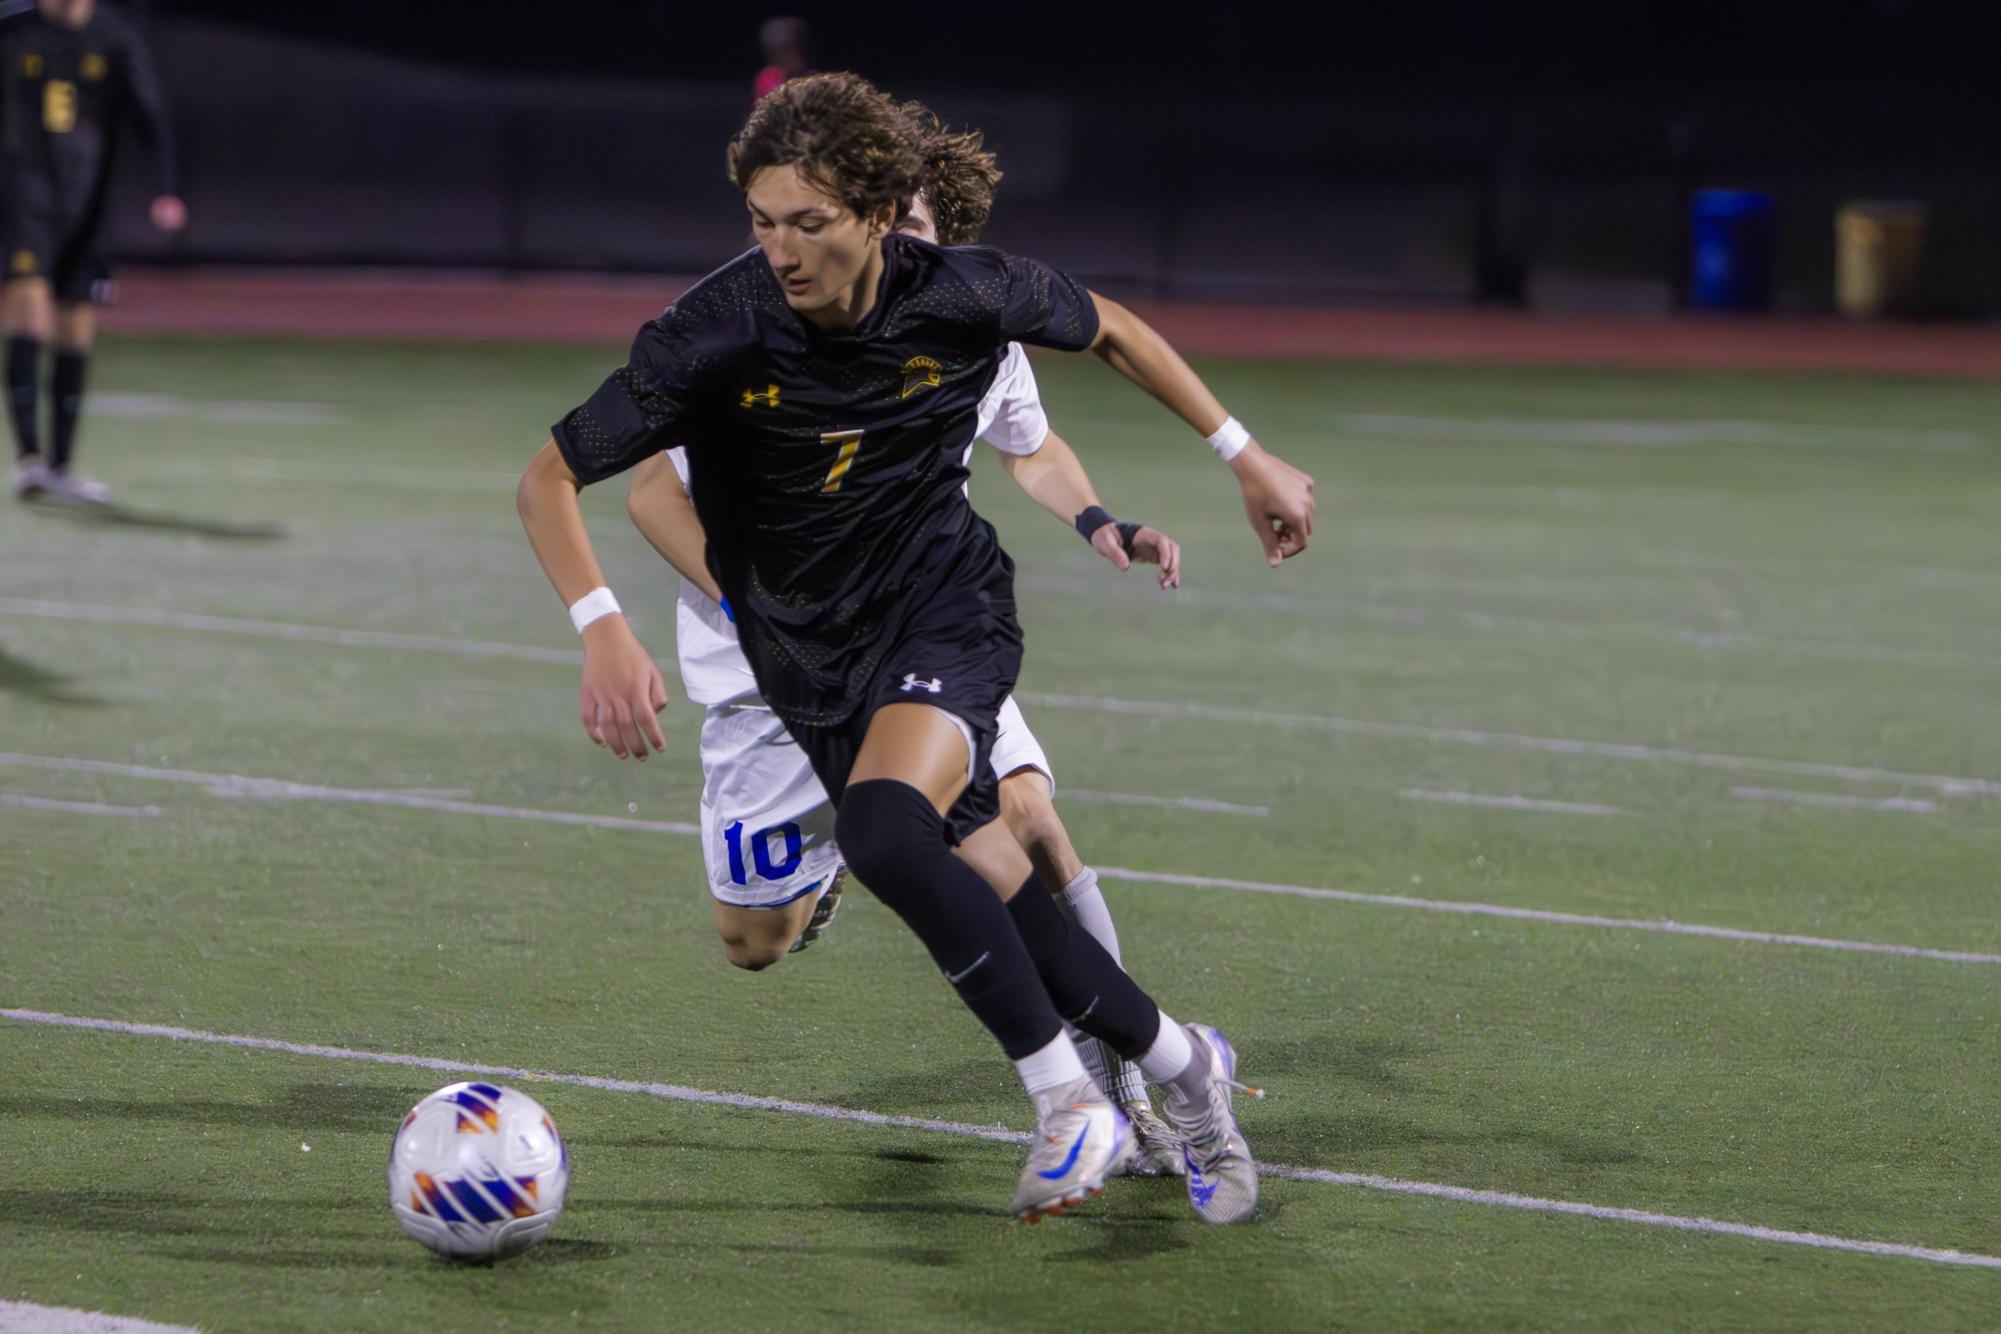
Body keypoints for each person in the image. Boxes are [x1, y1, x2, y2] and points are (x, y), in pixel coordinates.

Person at [519, 72, 1314, 1224]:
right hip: (798, 658)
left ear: (885, 215)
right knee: (913, 896)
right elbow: (552, 475)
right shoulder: (716, 333)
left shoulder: (967, 295)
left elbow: (1118, 333)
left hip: (940, 612)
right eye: (762, 221)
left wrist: (1246, 455)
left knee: (909, 831)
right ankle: (1183, 1064)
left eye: (810, 223)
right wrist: (603, 629)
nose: (780, 251)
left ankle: (1070, 1099)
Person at [621, 107, 1188, 1177]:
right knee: (754, 941)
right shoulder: (761, 336)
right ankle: (829, 868)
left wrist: (1099, 517)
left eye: (928, 230)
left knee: (1030, 819)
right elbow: (652, 492)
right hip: (766, 676)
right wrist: (760, 604)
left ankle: (1126, 1083)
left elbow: (1031, 444)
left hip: (913, 631)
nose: (912, 249)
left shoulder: (966, 320)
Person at [0, 0, 185, 503]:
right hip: (22, 203)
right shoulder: (14, 30)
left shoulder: (115, 39)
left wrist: (167, 189)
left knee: (76, 329)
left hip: (86, 207)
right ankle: (30, 461)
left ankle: (62, 465)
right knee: (29, 319)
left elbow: (151, 112)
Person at [751, 17, 810, 104]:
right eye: (787, 50)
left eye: (798, 47)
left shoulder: (811, 76)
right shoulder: (768, 78)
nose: (794, 56)